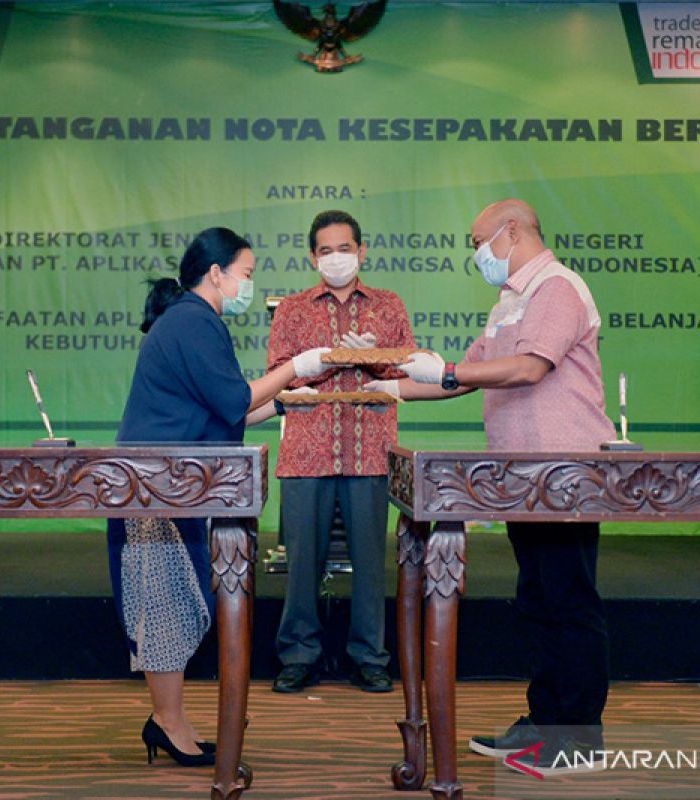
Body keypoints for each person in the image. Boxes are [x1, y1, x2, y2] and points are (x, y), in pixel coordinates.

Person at [365, 198, 614, 774]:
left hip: (564, 470)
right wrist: (389, 388)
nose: (477, 253)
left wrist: (447, 371)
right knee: (538, 597)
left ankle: (578, 736)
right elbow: (463, 374)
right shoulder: (509, 301)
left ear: (511, 231)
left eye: (478, 241)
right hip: (520, 474)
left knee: (569, 598)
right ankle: (544, 720)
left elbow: (529, 368)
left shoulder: (557, 287)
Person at [109, 227, 331, 767]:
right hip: (154, 490)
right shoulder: (192, 321)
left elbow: (223, 411)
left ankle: (170, 722)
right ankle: (167, 723)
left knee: (175, 607)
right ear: (217, 273)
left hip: (169, 487)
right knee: (163, 610)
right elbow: (234, 397)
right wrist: (294, 368)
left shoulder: (194, 319)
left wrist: (282, 403)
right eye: (247, 274)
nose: (249, 285)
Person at [266, 210, 416, 695]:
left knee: (371, 564)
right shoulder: (292, 309)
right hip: (306, 453)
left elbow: (408, 372)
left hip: (370, 451)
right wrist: (332, 360)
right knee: (302, 562)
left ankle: (369, 657)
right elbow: (279, 376)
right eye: (326, 251)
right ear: (313, 257)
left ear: (362, 251)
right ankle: (298, 654)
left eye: (345, 248)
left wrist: (373, 356)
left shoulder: (388, 306)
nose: (336, 258)